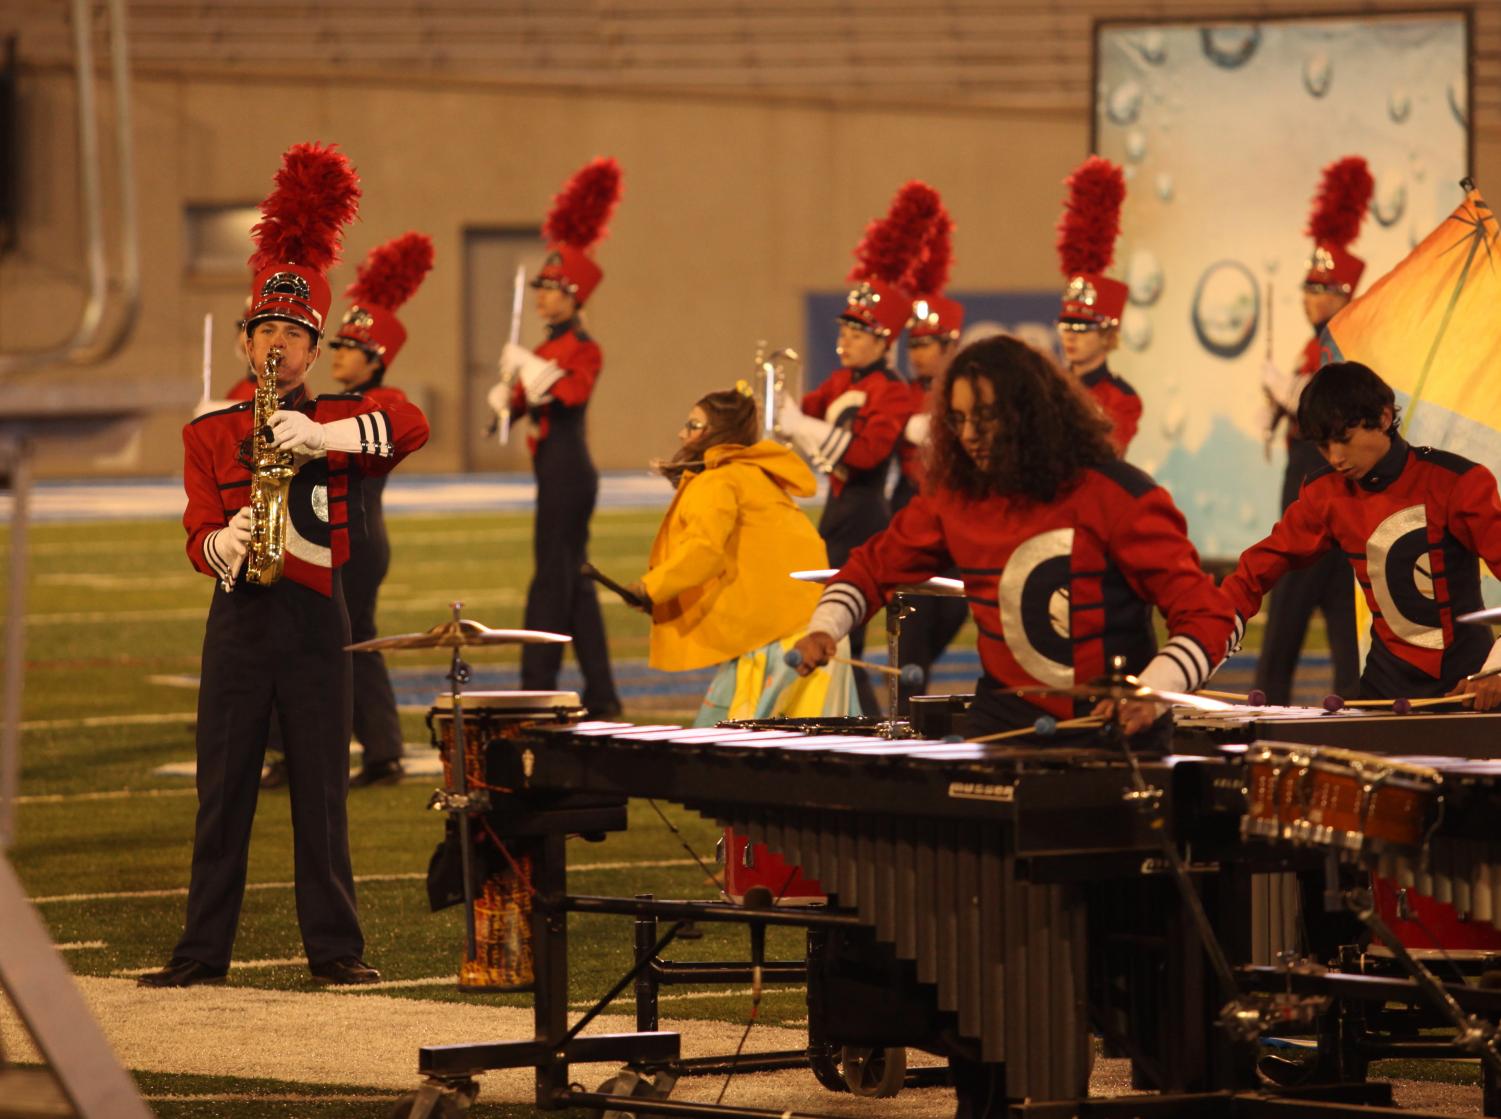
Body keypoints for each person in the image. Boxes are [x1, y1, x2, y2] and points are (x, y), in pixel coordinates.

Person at [138, 143, 429, 989]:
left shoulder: (341, 415)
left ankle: (335, 949)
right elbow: (195, 527)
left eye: (294, 336)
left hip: (313, 621)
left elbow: (408, 423)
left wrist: (325, 433)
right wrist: (217, 548)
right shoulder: (209, 427)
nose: (278, 345)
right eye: (265, 330)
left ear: (311, 348)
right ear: (244, 336)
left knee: (321, 796)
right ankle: (200, 953)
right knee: (222, 792)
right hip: (238, 621)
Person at [791, 334, 1235, 740]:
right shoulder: (955, 500)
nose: (967, 436)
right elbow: (871, 567)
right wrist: (825, 628)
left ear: (1032, 416)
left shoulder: (1119, 496)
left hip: (1113, 734)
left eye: (985, 418)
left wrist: (1152, 691)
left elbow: (1208, 617)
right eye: (958, 419)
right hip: (1000, 731)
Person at [1224, 360, 1501, 708]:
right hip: (1383, 692)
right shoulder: (1326, 493)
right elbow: (1259, 566)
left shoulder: (1458, 482)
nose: (1336, 457)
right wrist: (1214, 630)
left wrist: (1497, 669)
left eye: (1345, 439)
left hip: (1470, 689)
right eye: (1324, 446)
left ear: (1384, 418)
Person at [777, 181, 938, 714]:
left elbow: (866, 455)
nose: (845, 337)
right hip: (836, 509)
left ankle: (868, 725)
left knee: (850, 639)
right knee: (829, 629)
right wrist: (776, 404)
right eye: (845, 327)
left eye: (858, 330)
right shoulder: (841, 382)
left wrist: (801, 423)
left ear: (883, 340)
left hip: (866, 512)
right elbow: (798, 419)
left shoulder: (891, 390)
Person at [627, 386, 858, 725]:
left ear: (718, 432)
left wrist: (651, 588)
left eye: (692, 425)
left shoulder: (718, 481)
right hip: (811, 631)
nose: (681, 433)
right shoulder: (754, 475)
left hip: (780, 643)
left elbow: (704, 552)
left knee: (729, 754)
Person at [489, 157, 623, 719]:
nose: (542, 297)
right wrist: (503, 400)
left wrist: (527, 369)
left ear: (574, 296)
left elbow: (568, 396)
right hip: (551, 467)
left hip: (571, 468)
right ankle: (603, 692)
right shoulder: (545, 348)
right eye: (540, 288)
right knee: (576, 585)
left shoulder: (582, 348)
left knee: (552, 581)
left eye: (551, 289)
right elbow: (520, 406)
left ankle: (535, 682)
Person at [1252, 157, 1371, 706]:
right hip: (1303, 493)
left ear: (1346, 294)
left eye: (1324, 289)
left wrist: (1290, 396)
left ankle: (1356, 712)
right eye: (1308, 287)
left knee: (1345, 634)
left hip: (1333, 494)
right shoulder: (1311, 344)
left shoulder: (1349, 344)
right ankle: (1268, 711)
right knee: (1283, 629)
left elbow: (1331, 411)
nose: (1311, 298)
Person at [324, 231, 437, 787]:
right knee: (347, 639)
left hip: (360, 536)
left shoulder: (385, 403)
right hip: (339, 531)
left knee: (353, 638)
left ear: (375, 358)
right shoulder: (338, 402)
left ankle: (378, 749)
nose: (336, 353)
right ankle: (378, 749)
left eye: (348, 347)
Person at [892, 202, 970, 707]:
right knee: (913, 643)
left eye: (928, 344)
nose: (918, 353)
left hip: (959, 525)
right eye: (913, 343)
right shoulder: (896, 393)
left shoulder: (965, 395)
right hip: (914, 520)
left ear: (950, 344)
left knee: (952, 619)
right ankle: (905, 720)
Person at [1054, 156, 1141, 457]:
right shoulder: (1045, 387)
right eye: (1067, 325)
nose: (1071, 335)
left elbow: (1105, 452)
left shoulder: (1122, 397)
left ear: (1106, 332)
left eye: (1082, 327)